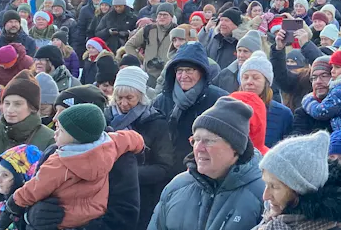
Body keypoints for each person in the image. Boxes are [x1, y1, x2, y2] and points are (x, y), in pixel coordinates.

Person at [3, 103, 145, 229]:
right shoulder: (112, 144)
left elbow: (125, 217)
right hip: (90, 211)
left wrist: (14, 206)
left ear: (78, 132)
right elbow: (131, 138)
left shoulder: (61, 159)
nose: (54, 120)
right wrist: (32, 215)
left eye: (62, 127)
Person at [148, 96, 265, 230]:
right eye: (196, 140)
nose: (198, 148)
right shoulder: (176, 187)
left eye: (208, 141)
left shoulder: (264, 195)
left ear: (235, 147)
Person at [0, 70, 55, 199]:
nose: (10, 110)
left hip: (24, 214)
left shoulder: (49, 140)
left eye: (18, 104)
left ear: (33, 108)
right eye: (6, 103)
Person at [106, 66, 177, 230]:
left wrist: (127, 174)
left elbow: (164, 167)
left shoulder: (156, 122)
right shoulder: (106, 119)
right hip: (108, 197)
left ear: (141, 96)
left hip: (142, 198)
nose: (123, 103)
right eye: (119, 97)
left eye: (129, 98)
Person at [257, 129, 341, 230]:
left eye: (274, 186)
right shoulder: (271, 221)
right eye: (266, 184)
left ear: (300, 190)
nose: (265, 196)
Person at [153, 42, 229, 161]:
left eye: (189, 70)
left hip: (204, 166)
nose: (183, 76)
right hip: (167, 168)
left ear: (201, 72)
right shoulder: (162, 101)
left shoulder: (219, 100)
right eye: (179, 71)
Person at [240, 51, 293, 147]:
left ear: (267, 82)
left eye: (256, 78)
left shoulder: (283, 114)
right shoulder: (231, 109)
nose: (249, 82)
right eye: (245, 77)